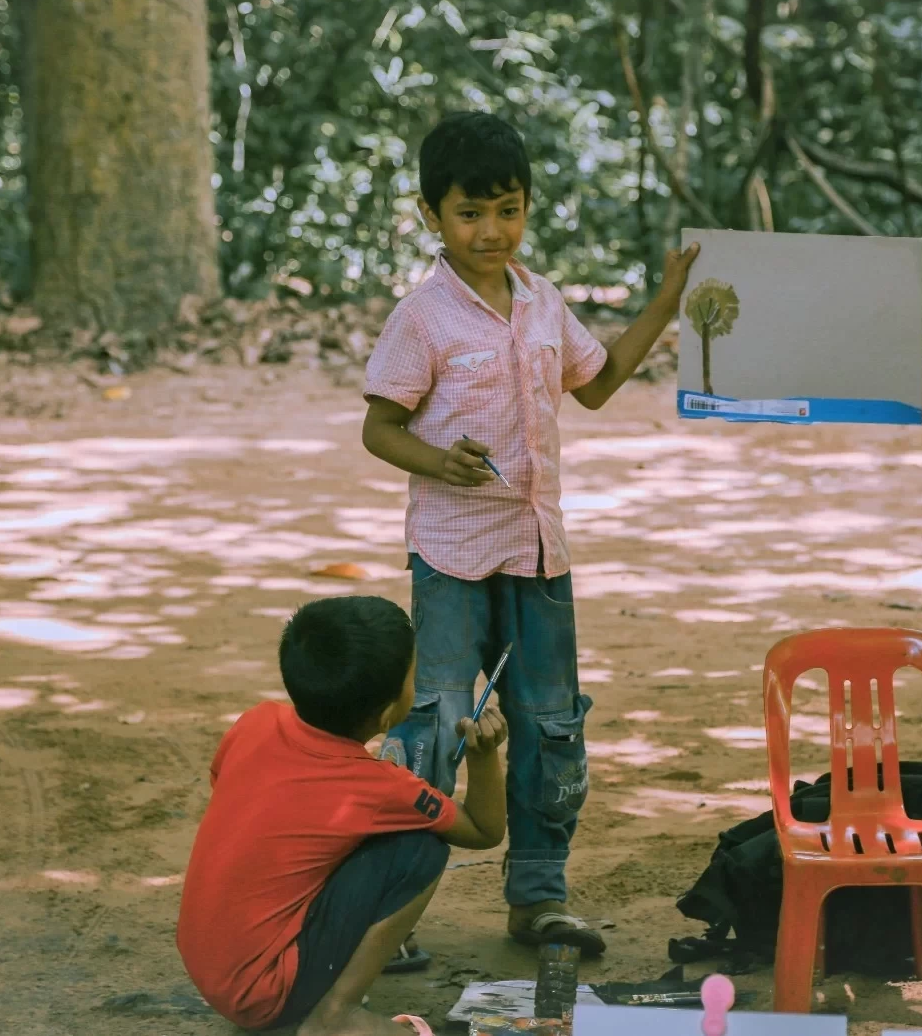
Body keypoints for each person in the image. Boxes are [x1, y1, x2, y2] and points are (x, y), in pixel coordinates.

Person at [361, 109, 700, 970]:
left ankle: (540, 899)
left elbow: (598, 383)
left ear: (527, 207)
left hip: (541, 554)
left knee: (551, 725)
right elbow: (380, 429)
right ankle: (389, 914)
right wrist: (440, 462)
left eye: (507, 210)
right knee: (435, 724)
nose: (491, 231)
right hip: (450, 556)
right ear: (432, 215)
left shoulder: (545, 301)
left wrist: (666, 302)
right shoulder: (423, 318)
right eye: (470, 214)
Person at [177, 595, 508, 1036]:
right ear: (391, 711)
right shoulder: (379, 787)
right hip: (263, 993)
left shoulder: (255, 721)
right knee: (419, 847)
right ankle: (336, 1016)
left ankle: (313, 997)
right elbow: (485, 831)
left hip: (208, 962)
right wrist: (484, 757)